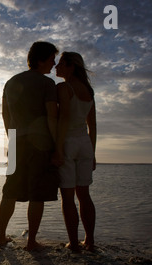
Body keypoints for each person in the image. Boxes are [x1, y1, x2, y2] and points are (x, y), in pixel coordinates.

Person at [0, 41, 60, 251]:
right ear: (41, 59)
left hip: (16, 141)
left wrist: (12, 137)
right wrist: (56, 146)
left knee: (10, 191)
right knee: (37, 193)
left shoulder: (11, 82)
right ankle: (31, 241)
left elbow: (5, 116)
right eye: (52, 59)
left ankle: (0, 236)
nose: (54, 64)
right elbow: (52, 116)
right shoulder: (47, 84)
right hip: (40, 144)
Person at [54, 52, 97, 252]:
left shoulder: (64, 88)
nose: (56, 66)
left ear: (71, 66)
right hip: (85, 144)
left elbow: (62, 120)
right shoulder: (89, 91)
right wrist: (93, 153)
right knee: (84, 195)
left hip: (69, 142)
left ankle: (73, 243)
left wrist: (58, 149)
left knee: (68, 196)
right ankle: (89, 241)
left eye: (61, 64)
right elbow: (93, 126)